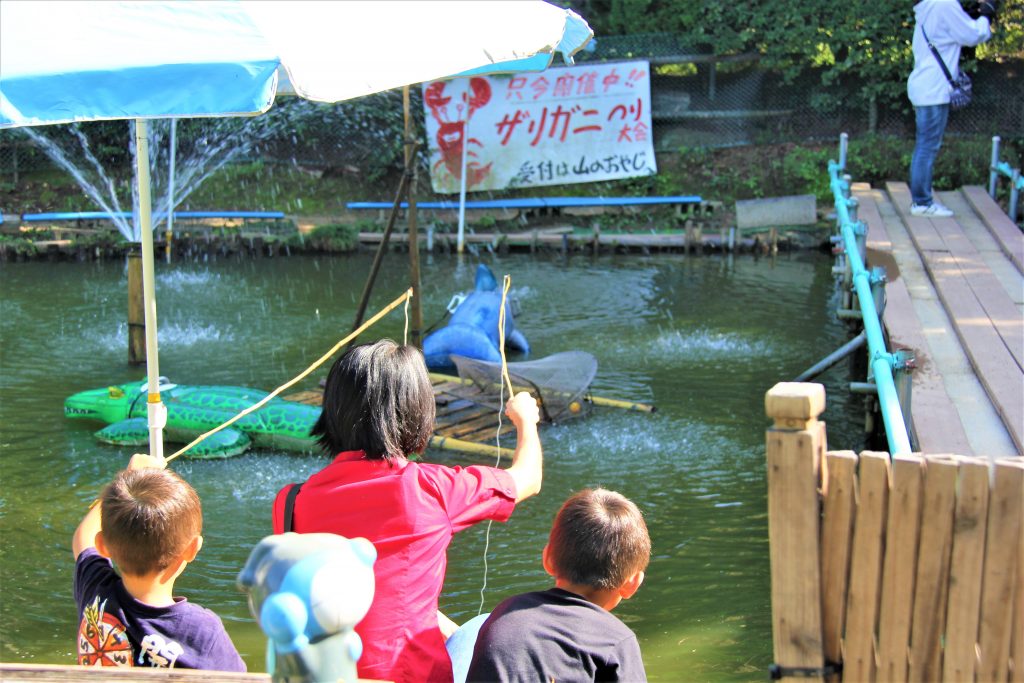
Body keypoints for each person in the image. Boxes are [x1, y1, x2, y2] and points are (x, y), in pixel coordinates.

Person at [271, 339, 543, 683]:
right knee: (481, 627)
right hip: (408, 677)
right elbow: (528, 478)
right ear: (416, 410)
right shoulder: (430, 488)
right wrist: (525, 420)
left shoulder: (290, 502)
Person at [72, 453, 246, 671]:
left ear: (103, 545)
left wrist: (126, 479)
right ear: (192, 549)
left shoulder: (95, 589)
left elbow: (83, 537)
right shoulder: (202, 631)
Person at [465, 488, 651, 683]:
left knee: (474, 627)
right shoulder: (617, 641)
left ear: (547, 559)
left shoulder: (505, 612)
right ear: (632, 583)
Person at [907, 0, 996, 217]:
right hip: (933, 88)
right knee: (927, 147)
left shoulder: (931, 5)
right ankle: (922, 203)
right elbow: (973, 35)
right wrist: (986, 15)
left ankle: (921, 201)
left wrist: (968, 13)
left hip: (925, 85)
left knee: (925, 146)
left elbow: (949, 30)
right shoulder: (944, 4)